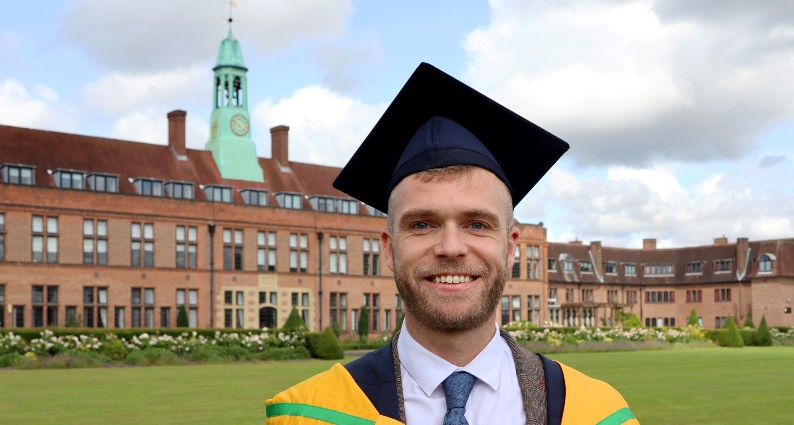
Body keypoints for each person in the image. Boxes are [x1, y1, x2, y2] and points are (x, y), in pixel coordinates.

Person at [266, 63, 638, 425]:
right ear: (389, 248)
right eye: (422, 224)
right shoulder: (311, 415)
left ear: (511, 249)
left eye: (477, 224)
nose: (450, 247)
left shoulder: (595, 413)